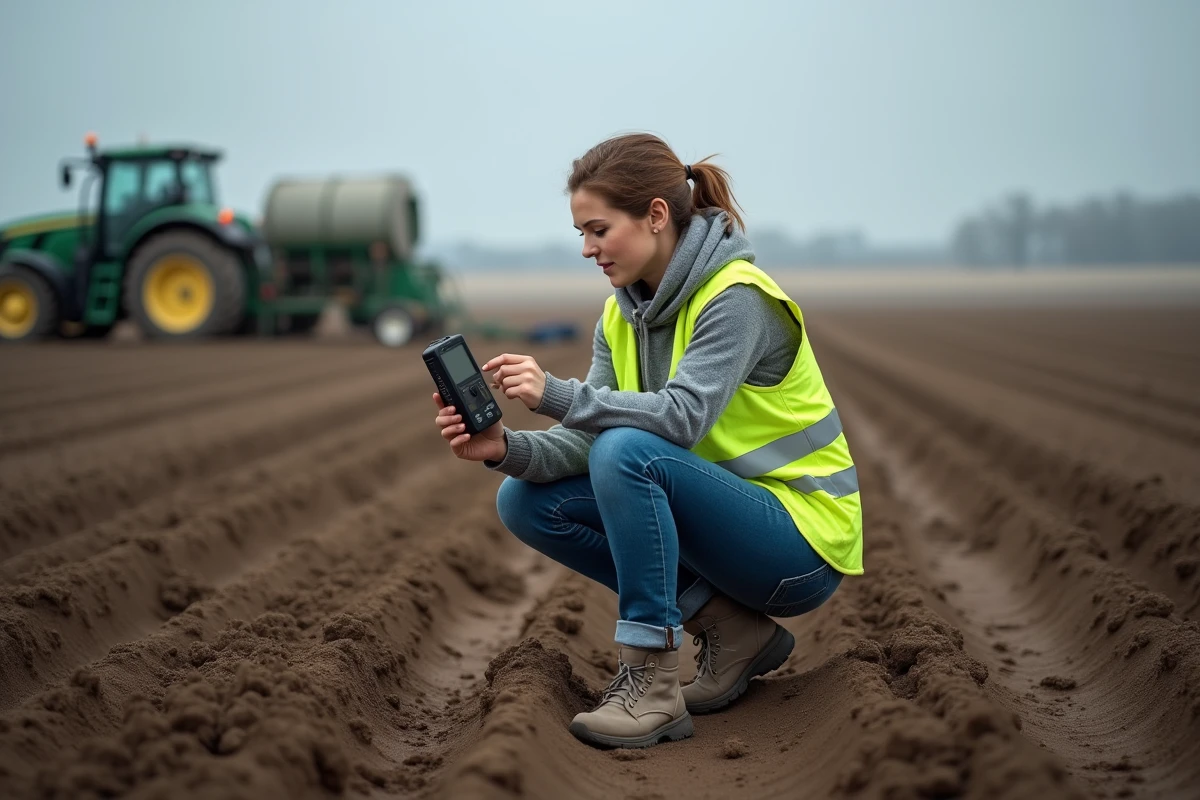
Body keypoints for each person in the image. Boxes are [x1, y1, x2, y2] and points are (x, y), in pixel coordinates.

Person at [431, 132, 863, 750]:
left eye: (599, 230)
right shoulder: (621, 315)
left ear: (656, 216)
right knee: (524, 501)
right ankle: (733, 631)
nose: (587, 249)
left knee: (626, 452)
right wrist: (504, 449)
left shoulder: (736, 299)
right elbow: (584, 444)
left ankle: (652, 683)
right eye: (580, 233)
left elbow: (682, 418)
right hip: (727, 531)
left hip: (798, 545)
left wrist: (556, 393)